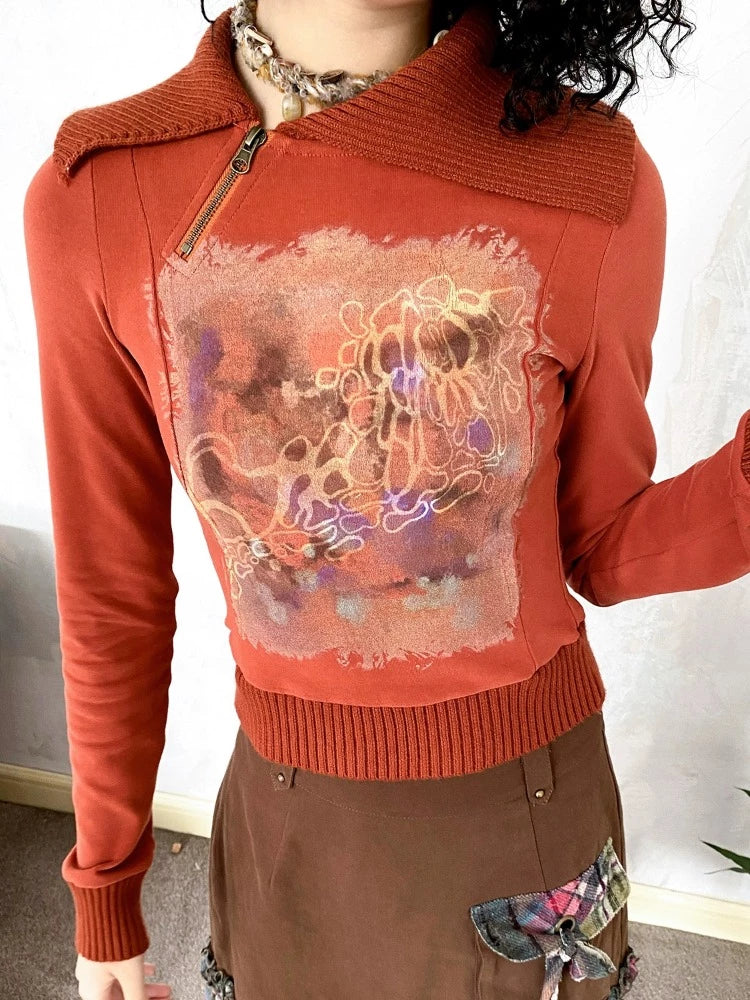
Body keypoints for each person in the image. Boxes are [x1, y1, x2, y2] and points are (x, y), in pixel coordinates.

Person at [22, 1, 750, 999]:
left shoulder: (589, 176)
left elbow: (604, 542)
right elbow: (112, 590)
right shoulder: (102, 190)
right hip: (286, 824)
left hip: (527, 819)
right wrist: (105, 884)